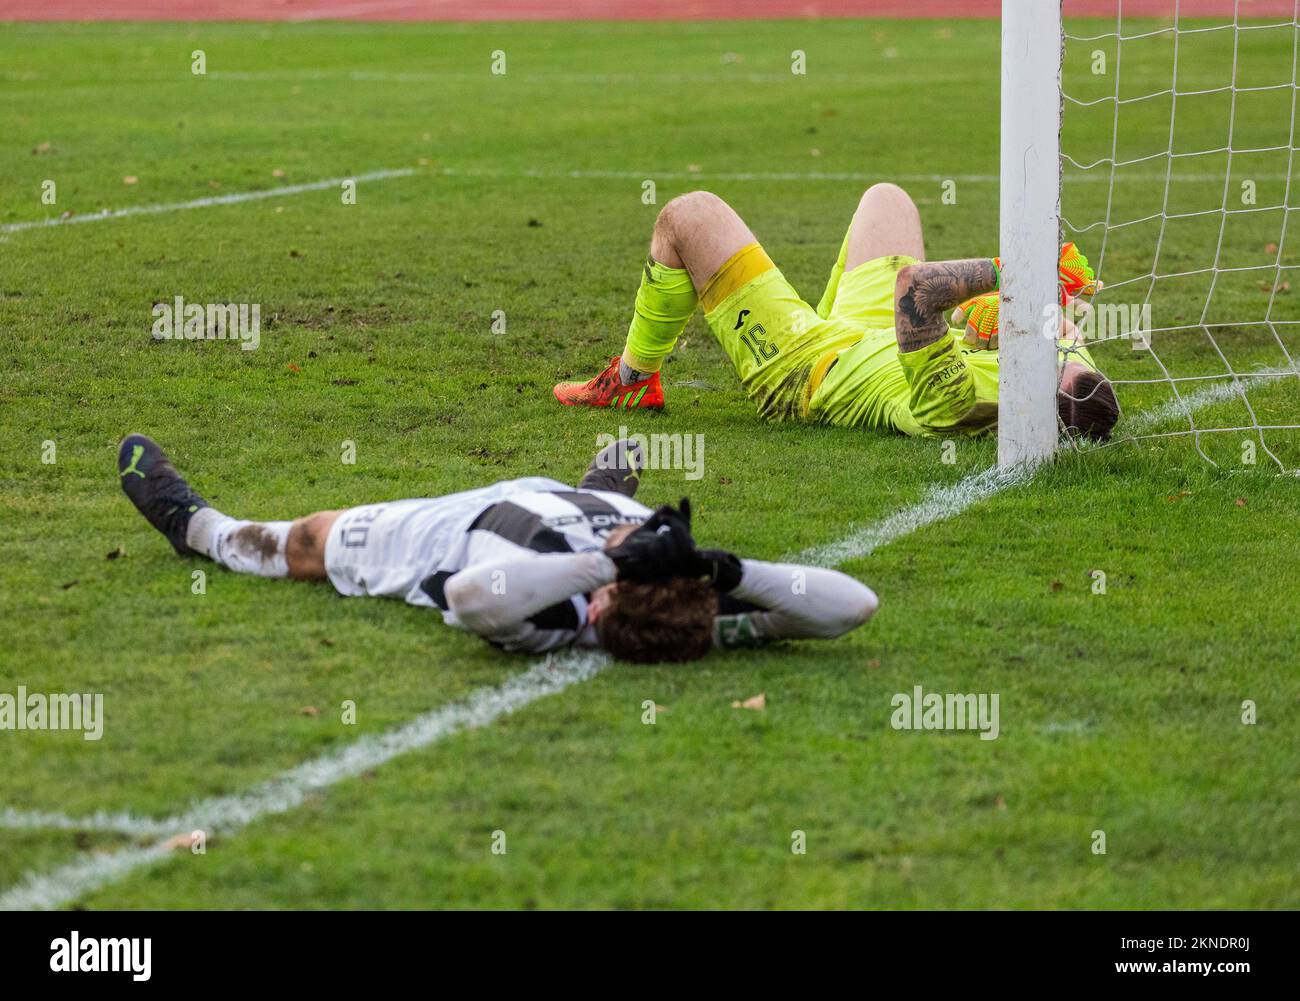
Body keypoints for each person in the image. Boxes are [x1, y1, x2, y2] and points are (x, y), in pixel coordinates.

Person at [116, 434, 877, 663]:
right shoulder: (699, 606)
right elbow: (853, 605)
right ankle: (597, 490)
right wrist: (721, 568)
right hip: (571, 507)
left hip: (449, 532)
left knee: (309, 540)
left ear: (608, 596)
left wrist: (612, 558)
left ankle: (196, 528)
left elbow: (474, 595)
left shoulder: (556, 616)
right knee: (611, 498)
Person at [553, 183, 1119, 441]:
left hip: (805, 369)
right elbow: (1018, 328)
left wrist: (1020, 271)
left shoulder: (958, 407)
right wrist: (1057, 302)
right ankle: (810, 308)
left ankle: (631, 380)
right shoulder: (1071, 374)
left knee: (689, 215)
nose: (1059, 347)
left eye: (1052, 358)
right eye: (1062, 352)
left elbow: (916, 293)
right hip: (878, 335)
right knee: (888, 198)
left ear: (1031, 410)